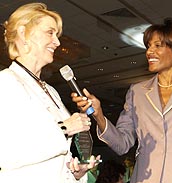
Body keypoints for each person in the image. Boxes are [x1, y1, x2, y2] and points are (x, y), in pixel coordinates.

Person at [72, 17, 172, 183]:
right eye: (148, 46)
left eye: (157, 45)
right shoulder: (137, 92)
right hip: (144, 178)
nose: (149, 51)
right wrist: (100, 116)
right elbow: (122, 144)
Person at [0, 2, 100, 183]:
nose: (58, 42)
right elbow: (7, 153)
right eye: (50, 32)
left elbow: (56, 155)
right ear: (24, 34)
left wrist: (76, 172)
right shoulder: (6, 82)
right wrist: (65, 128)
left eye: (57, 34)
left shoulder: (51, 91)